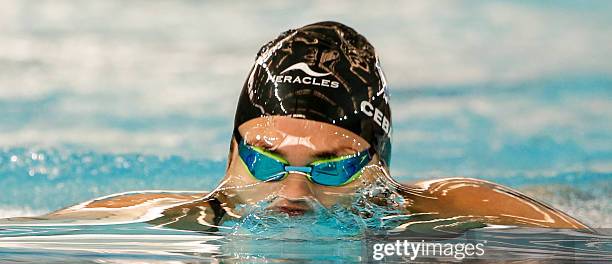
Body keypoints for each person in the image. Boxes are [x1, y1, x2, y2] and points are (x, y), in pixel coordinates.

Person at [3, 21, 590, 231]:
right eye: (264, 157)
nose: (293, 195)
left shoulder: (443, 206)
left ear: (379, 166)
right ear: (231, 150)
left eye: (332, 166)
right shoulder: (170, 215)